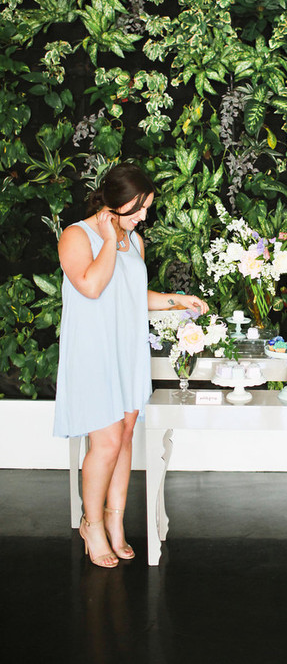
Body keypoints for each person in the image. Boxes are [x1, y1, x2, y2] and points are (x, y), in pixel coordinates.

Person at [54, 163, 208, 568]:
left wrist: (179, 300)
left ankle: (115, 521)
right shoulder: (76, 235)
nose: (142, 217)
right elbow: (91, 285)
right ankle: (92, 524)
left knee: (123, 439)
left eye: (146, 209)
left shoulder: (133, 242)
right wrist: (107, 239)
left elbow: (134, 295)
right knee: (103, 443)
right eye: (137, 209)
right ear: (112, 204)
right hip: (93, 352)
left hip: (127, 349)